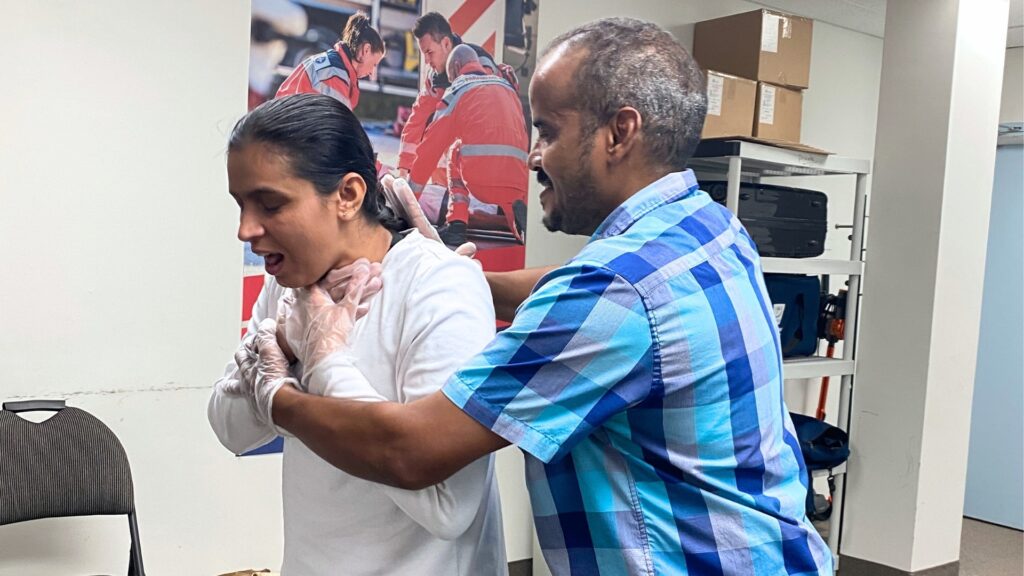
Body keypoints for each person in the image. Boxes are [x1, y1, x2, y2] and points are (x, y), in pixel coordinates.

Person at [243, 18, 833, 576]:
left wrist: (284, 388)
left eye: (548, 132)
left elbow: (412, 453)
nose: (531, 155)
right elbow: (577, 282)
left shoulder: (616, 293)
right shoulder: (706, 228)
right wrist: (436, 269)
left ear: (618, 134)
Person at [207, 94, 506, 575]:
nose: (246, 229)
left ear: (347, 195)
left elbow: (449, 508)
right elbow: (228, 427)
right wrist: (281, 347)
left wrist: (325, 363)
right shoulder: (289, 287)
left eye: (270, 203)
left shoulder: (437, 284)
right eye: (240, 204)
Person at [405, 45, 529, 246]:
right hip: (518, 184)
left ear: (455, 66)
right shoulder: (507, 88)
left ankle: (456, 226)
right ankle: (519, 222)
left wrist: (408, 201)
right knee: (510, 156)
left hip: (480, 182)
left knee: (455, 150)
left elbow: (430, 149)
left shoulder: (458, 88)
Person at [397, 11, 509, 184]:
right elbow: (417, 120)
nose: (426, 61)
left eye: (429, 52)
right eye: (423, 54)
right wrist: (403, 169)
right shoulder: (434, 78)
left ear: (446, 43)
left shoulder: (480, 67)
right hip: (452, 176)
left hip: (484, 169)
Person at [275, 12, 385, 110]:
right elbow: (335, 127)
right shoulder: (335, 75)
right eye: (374, 64)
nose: (371, 72)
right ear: (366, 50)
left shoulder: (334, 66)